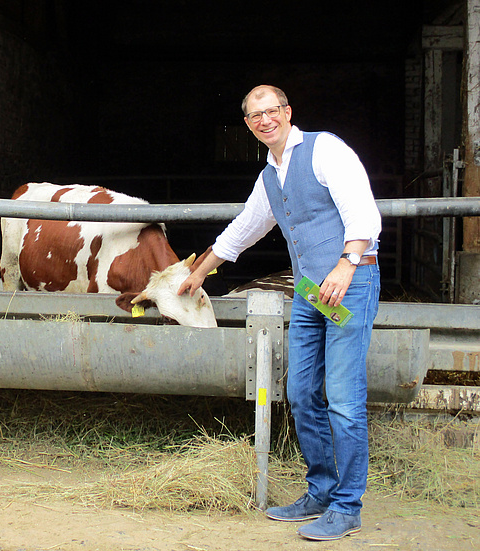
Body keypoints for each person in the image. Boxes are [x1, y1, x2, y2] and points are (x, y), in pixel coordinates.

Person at [179, 85, 381, 541]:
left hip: (350, 285)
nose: (264, 120)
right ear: (248, 124)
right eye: (255, 116)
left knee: (345, 399)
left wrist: (348, 264)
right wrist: (199, 272)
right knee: (302, 391)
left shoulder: (324, 149)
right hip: (310, 291)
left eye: (271, 111)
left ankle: (348, 507)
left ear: (288, 113)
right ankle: (322, 491)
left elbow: (363, 211)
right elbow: (245, 228)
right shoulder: (270, 175)